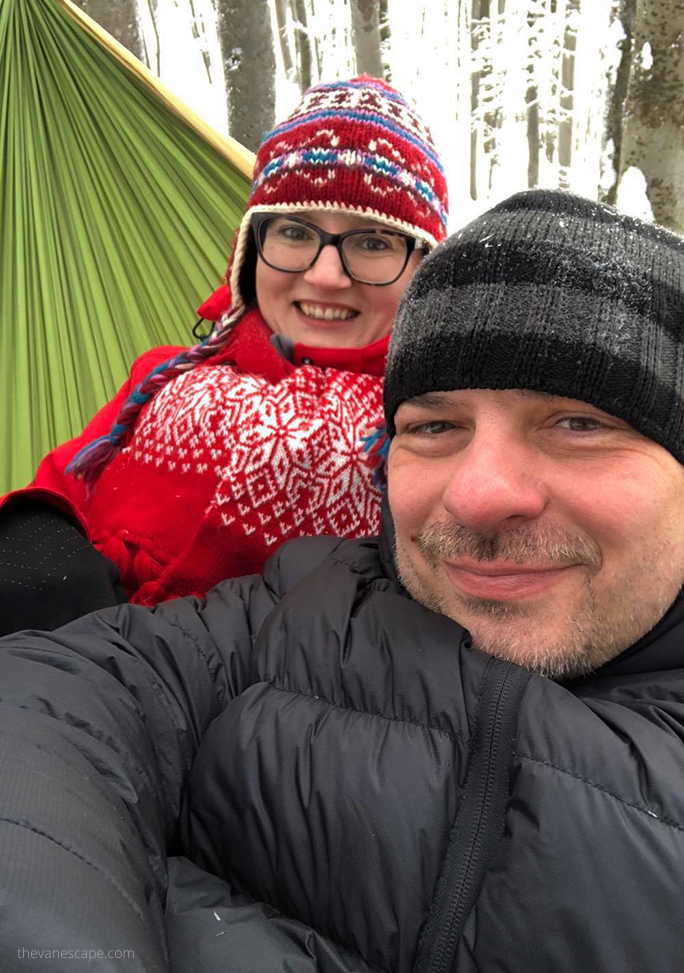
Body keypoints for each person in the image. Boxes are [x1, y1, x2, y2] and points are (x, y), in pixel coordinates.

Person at [2, 189, 684, 972]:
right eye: (434, 427)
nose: (477, 495)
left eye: (579, 423)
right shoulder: (304, 603)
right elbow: (68, 697)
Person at [0, 75, 448, 631]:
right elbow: (65, 480)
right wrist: (36, 537)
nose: (325, 274)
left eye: (374, 242)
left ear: (424, 269)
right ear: (252, 248)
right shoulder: (167, 375)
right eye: (295, 232)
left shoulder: (440, 422)